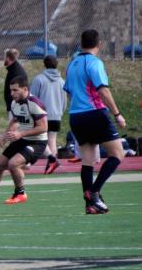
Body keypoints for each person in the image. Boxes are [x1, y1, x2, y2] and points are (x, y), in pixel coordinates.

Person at [64, 29, 126, 214]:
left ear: (81, 44)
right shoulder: (94, 63)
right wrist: (117, 114)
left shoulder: (72, 64)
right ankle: (94, 191)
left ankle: (90, 205)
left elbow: (68, 90)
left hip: (76, 116)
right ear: (99, 45)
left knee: (88, 160)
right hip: (95, 113)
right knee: (117, 154)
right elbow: (103, 91)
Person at [0, 75, 48, 205]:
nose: (12, 93)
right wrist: (5, 134)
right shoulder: (14, 103)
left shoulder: (34, 103)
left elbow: (44, 127)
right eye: (10, 90)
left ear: (25, 89)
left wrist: (21, 133)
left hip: (37, 142)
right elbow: (15, 119)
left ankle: (20, 193)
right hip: (22, 138)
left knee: (13, 164)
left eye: (15, 90)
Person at [30, 55, 66, 175]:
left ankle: (52, 160)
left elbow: (33, 97)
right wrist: (60, 111)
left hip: (42, 114)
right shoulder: (62, 82)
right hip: (56, 114)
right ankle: (51, 163)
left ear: (44, 64)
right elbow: (64, 100)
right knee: (52, 140)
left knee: (37, 139)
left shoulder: (39, 79)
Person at [3, 48, 27, 118]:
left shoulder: (16, 72)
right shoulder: (12, 70)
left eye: (4, 57)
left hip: (17, 109)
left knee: (14, 129)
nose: (3, 59)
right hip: (14, 107)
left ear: (8, 58)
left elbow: (19, 91)